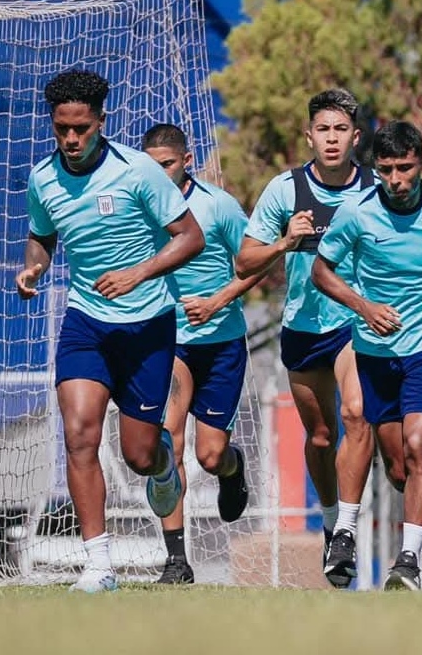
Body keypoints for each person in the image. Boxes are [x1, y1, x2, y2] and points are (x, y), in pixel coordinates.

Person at [238, 90, 422, 589]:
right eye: (322, 130)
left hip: (359, 325)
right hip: (303, 328)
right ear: (309, 136)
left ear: (356, 138)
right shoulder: (285, 190)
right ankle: (334, 525)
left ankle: (353, 531)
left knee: (357, 416)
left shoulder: (381, 186)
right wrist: (286, 242)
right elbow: (245, 262)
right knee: (320, 436)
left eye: (340, 130)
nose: (331, 139)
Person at [15, 69, 204, 592]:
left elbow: (191, 238)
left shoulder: (138, 171)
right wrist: (33, 268)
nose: (71, 139)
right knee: (79, 435)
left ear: (101, 120)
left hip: (147, 325)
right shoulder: (42, 178)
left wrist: (137, 273)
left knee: (139, 456)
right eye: (61, 129)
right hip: (86, 322)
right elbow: (42, 237)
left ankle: (162, 464)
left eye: (81, 128)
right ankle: (98, 566)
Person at [312, 121, 422, 590]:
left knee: (420, 442)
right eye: (385, 169)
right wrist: (363, 307)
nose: (396, 179)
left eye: (405, 168)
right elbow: (321, 271)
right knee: (397, 467)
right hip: (375, 353)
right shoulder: (356, 213)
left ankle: (407, 562)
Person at [140, 124, 261, 584]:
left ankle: (233, 467)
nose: (159, 174)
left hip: (221, 343)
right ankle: (176, 559)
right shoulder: (139, 206)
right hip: (167, 339)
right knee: (167, 440)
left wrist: (217, 301)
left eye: (167, 165)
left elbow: (256, 263)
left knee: (210, 455)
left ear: (187, 162)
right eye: (151, 166)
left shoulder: (218, 206)